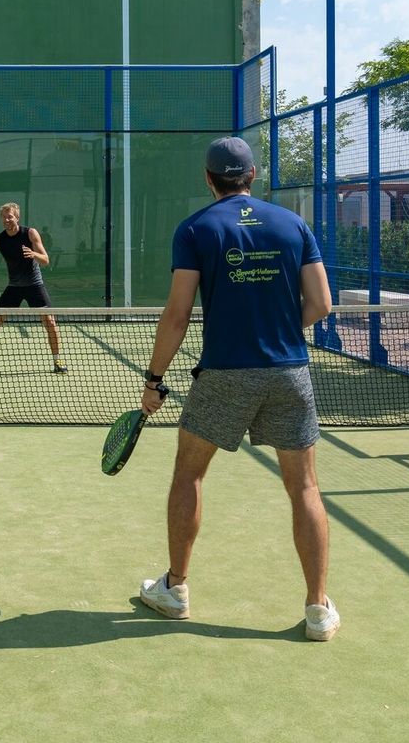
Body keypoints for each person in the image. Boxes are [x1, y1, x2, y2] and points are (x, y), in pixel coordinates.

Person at [133, 136, 339, 641]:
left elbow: (178, 315)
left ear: (209, 179)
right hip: (289, 371)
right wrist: (283, 331)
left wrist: (154, 379)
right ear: (253, 176)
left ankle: (175, 590)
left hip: (224, 373)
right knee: (305, 488)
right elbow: (321, 304)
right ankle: (317, 610)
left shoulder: (196, 229)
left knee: (189, 475)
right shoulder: (293, 225)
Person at [0, 202, 65, 374]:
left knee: (50, 323)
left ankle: (57, 361)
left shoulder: (30, 233)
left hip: (34, 285)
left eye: (10, 216)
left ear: (17, 217)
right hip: (14, 287)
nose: (6, 220)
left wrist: (34, 254)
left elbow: (45, 260)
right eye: (3, 217)